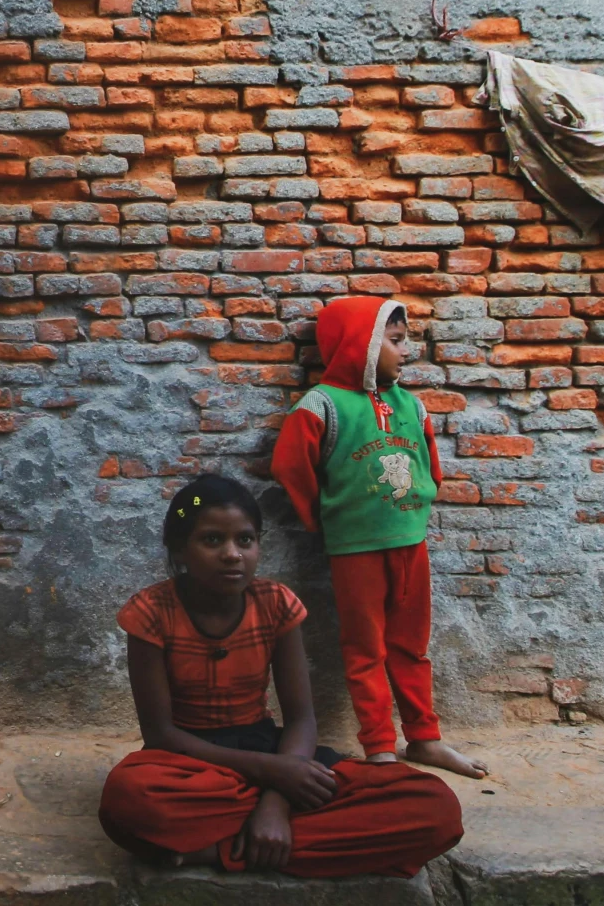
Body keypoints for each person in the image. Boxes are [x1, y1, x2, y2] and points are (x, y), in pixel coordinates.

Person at [98, 474, 466, 876]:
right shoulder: (151, 612)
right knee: (129, 800)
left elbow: (302, 720)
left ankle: (224, 847)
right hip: (190, 762)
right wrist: (270, 773)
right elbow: (161, 735)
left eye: (245, 539)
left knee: (434, 806)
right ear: (180, 550)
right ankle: (271, 840)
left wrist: (277, 798)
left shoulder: (276, 604)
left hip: (273, 750)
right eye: (211, 540)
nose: (232, 554)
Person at [272, 297, 488, 779]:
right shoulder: (322, 405)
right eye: (395, 341)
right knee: (365, 647)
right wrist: (320, 520)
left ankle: (425, 739)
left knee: (411, 646)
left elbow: (429, 463)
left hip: (411, 543)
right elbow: (291, 467)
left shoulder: (410, 403)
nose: (405, 351)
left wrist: (426, 495)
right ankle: (380, 748)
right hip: (355, 550)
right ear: (361, 345)